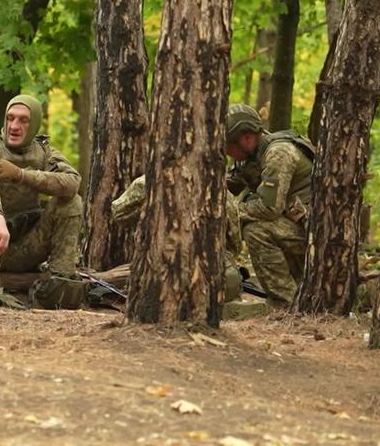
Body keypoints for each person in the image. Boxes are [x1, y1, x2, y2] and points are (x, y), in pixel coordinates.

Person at [0, 94, 85, 309]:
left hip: (24, 247)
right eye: (10, 118)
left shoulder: (43, 151)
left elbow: (72, 182)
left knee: (71, 201)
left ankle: (59, 281)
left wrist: (21, 174)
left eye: (23, 120)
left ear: (34, 124)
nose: (14, 126)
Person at [112, 174, 268, 319]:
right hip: (216, 278)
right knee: (230, 279)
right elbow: (234, 242)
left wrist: (148, 211)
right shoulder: (219, 188)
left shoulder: (148, 182)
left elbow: (118, 213)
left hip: (157, 275)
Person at [224, 103, 314, 308]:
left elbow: (268, 208)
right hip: (296, 231)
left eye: (229, 146)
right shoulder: (251, 156)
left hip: (313, 234)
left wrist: (231, 211)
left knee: (256, 230)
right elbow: (229, 185)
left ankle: (286, 304)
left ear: (246, 137)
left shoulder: (279, 153)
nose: (228, 153)